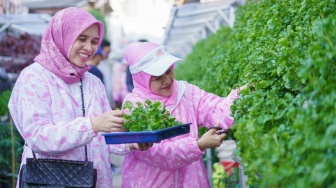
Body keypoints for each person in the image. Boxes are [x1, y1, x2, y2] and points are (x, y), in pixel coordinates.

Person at [8, 7, 152, 188]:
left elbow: (103, 138)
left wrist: (132, 142)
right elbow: (38, 137)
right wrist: (92, 125)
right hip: (47, 181)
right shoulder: (34, 77)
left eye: (94, 41)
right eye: (81, 39)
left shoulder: (92, 82)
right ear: (63, 36)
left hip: (93, 181)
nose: (89, 48)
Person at [121, 41, 247, 187]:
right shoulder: (135, 106)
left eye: (169, 71)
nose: (167, 80)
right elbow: (157, 153)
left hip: (190, 180)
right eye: (157, 77)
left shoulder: (185, 91)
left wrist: (240, 95)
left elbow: (215, 109)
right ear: (141, 79)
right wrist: (198, 145)